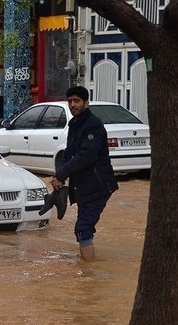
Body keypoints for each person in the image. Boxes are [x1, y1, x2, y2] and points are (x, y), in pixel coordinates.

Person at [49, 86, 119, 263]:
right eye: (70, 101)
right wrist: (59, 175)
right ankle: (88, 271)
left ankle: (89, 276)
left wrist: (62, 174)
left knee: (83, 228)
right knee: (83, 228)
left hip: (99, 186)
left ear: (86, 103)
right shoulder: (74, 123)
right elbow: (69, 152)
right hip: (84, 187)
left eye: (77, 101)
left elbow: (85, 156)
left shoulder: (93, 124)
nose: (73, 105)